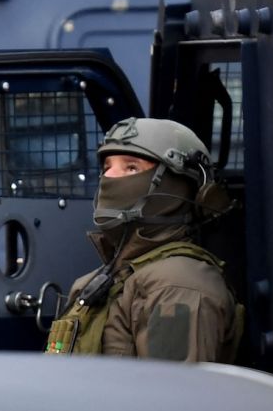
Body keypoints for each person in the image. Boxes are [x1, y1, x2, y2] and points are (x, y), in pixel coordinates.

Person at [45, 117, 241, 361]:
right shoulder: (106, 279)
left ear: (177, 186)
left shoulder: (176, 286)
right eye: (107, 166)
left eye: (131, 167)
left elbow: (174, 396)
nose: (110, 177)